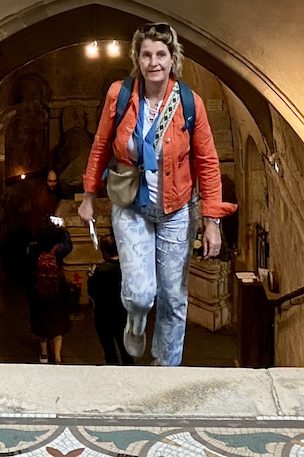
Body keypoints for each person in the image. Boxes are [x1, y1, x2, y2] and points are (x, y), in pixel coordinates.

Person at [78, 22, 236, 367]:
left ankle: (166, 368)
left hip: (177, 210)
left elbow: (208, 162)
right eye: (147, 54)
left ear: (172, 58)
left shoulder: (189, 103)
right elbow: (101, 145)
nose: (154, 62)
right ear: (137, 58)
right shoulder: (119, 96)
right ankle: (135, 320)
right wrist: (88, 194)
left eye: (161, 54)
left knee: (174, 298)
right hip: (131, 207)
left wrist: (212, 222)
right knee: (140, 295)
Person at [26, 217, 73, 364]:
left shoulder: (33, 250)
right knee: (58, 325)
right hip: (57, 292)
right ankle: (58, 358)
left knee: (42, 323)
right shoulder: (58, 250)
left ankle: (44, 355)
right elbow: (69, 246)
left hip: (38, 292)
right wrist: (64, 230)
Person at [87, 236, 133, 365]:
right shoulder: (128, 268)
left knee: (109, 348)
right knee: (125, 348)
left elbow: (93, 292)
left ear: (105, 252)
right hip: (123, 312)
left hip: (104, 314)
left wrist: (91, 277)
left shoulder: (101, 271)